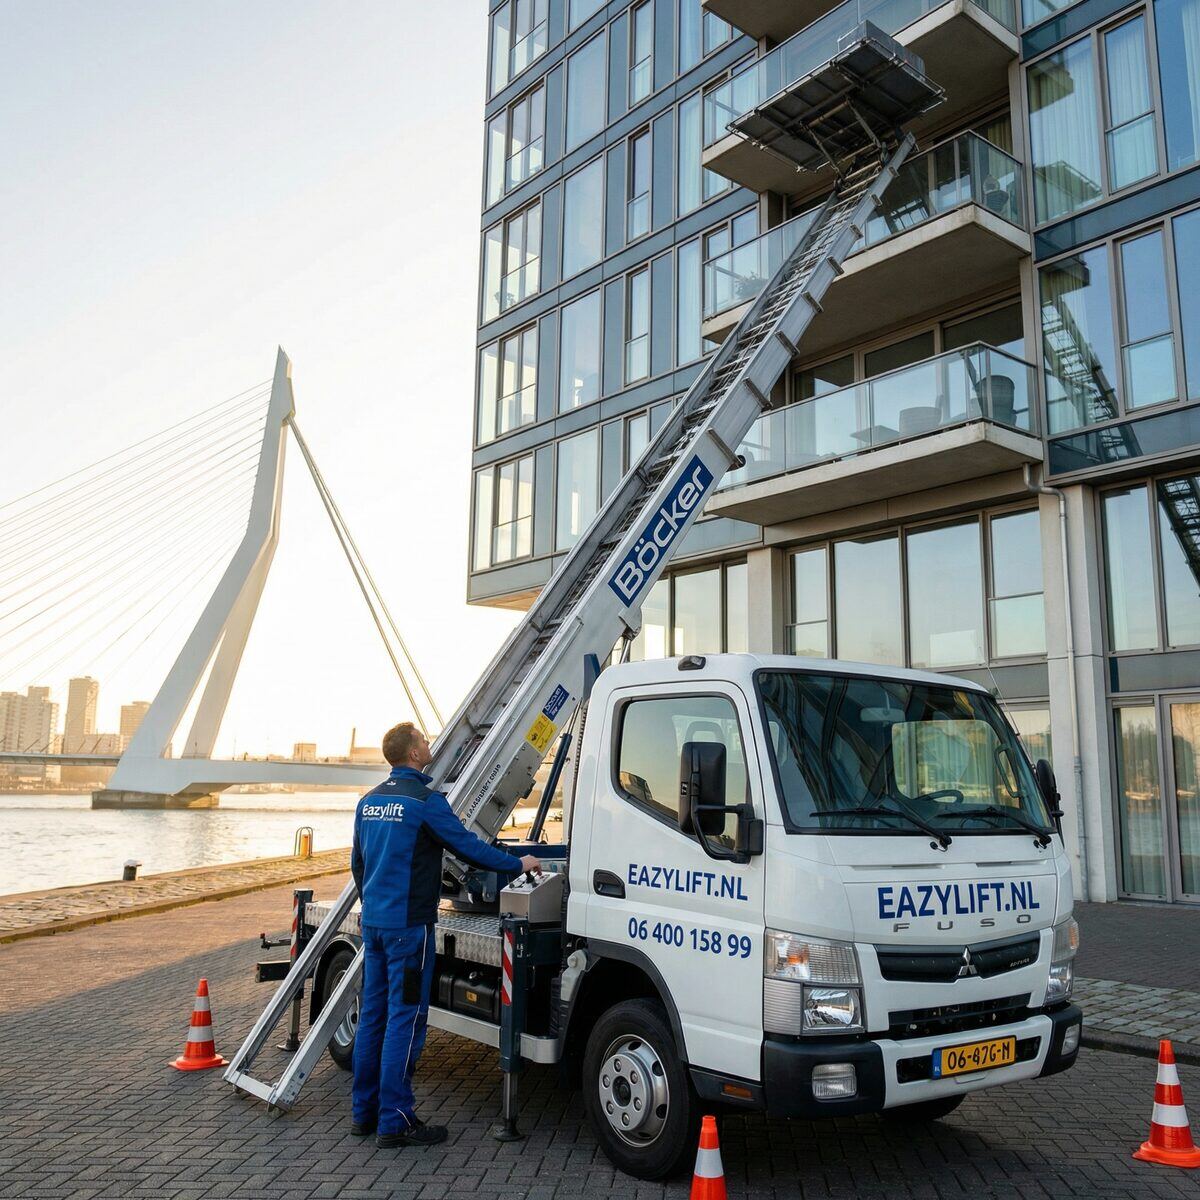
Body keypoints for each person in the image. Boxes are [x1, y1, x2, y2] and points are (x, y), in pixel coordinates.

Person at [349, 721, 541, 1148]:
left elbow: (358, 866)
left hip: (376, 925)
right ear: (414, 754)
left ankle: (363, 1113)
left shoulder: (369, 802)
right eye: (423, 739)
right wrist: (518, 864)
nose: (428, 743)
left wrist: (372, 906)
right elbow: (469, 848)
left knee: (374, 1017)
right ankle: (395, 1119)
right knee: (404, 1018)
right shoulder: (424, 802)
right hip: (409, 930)